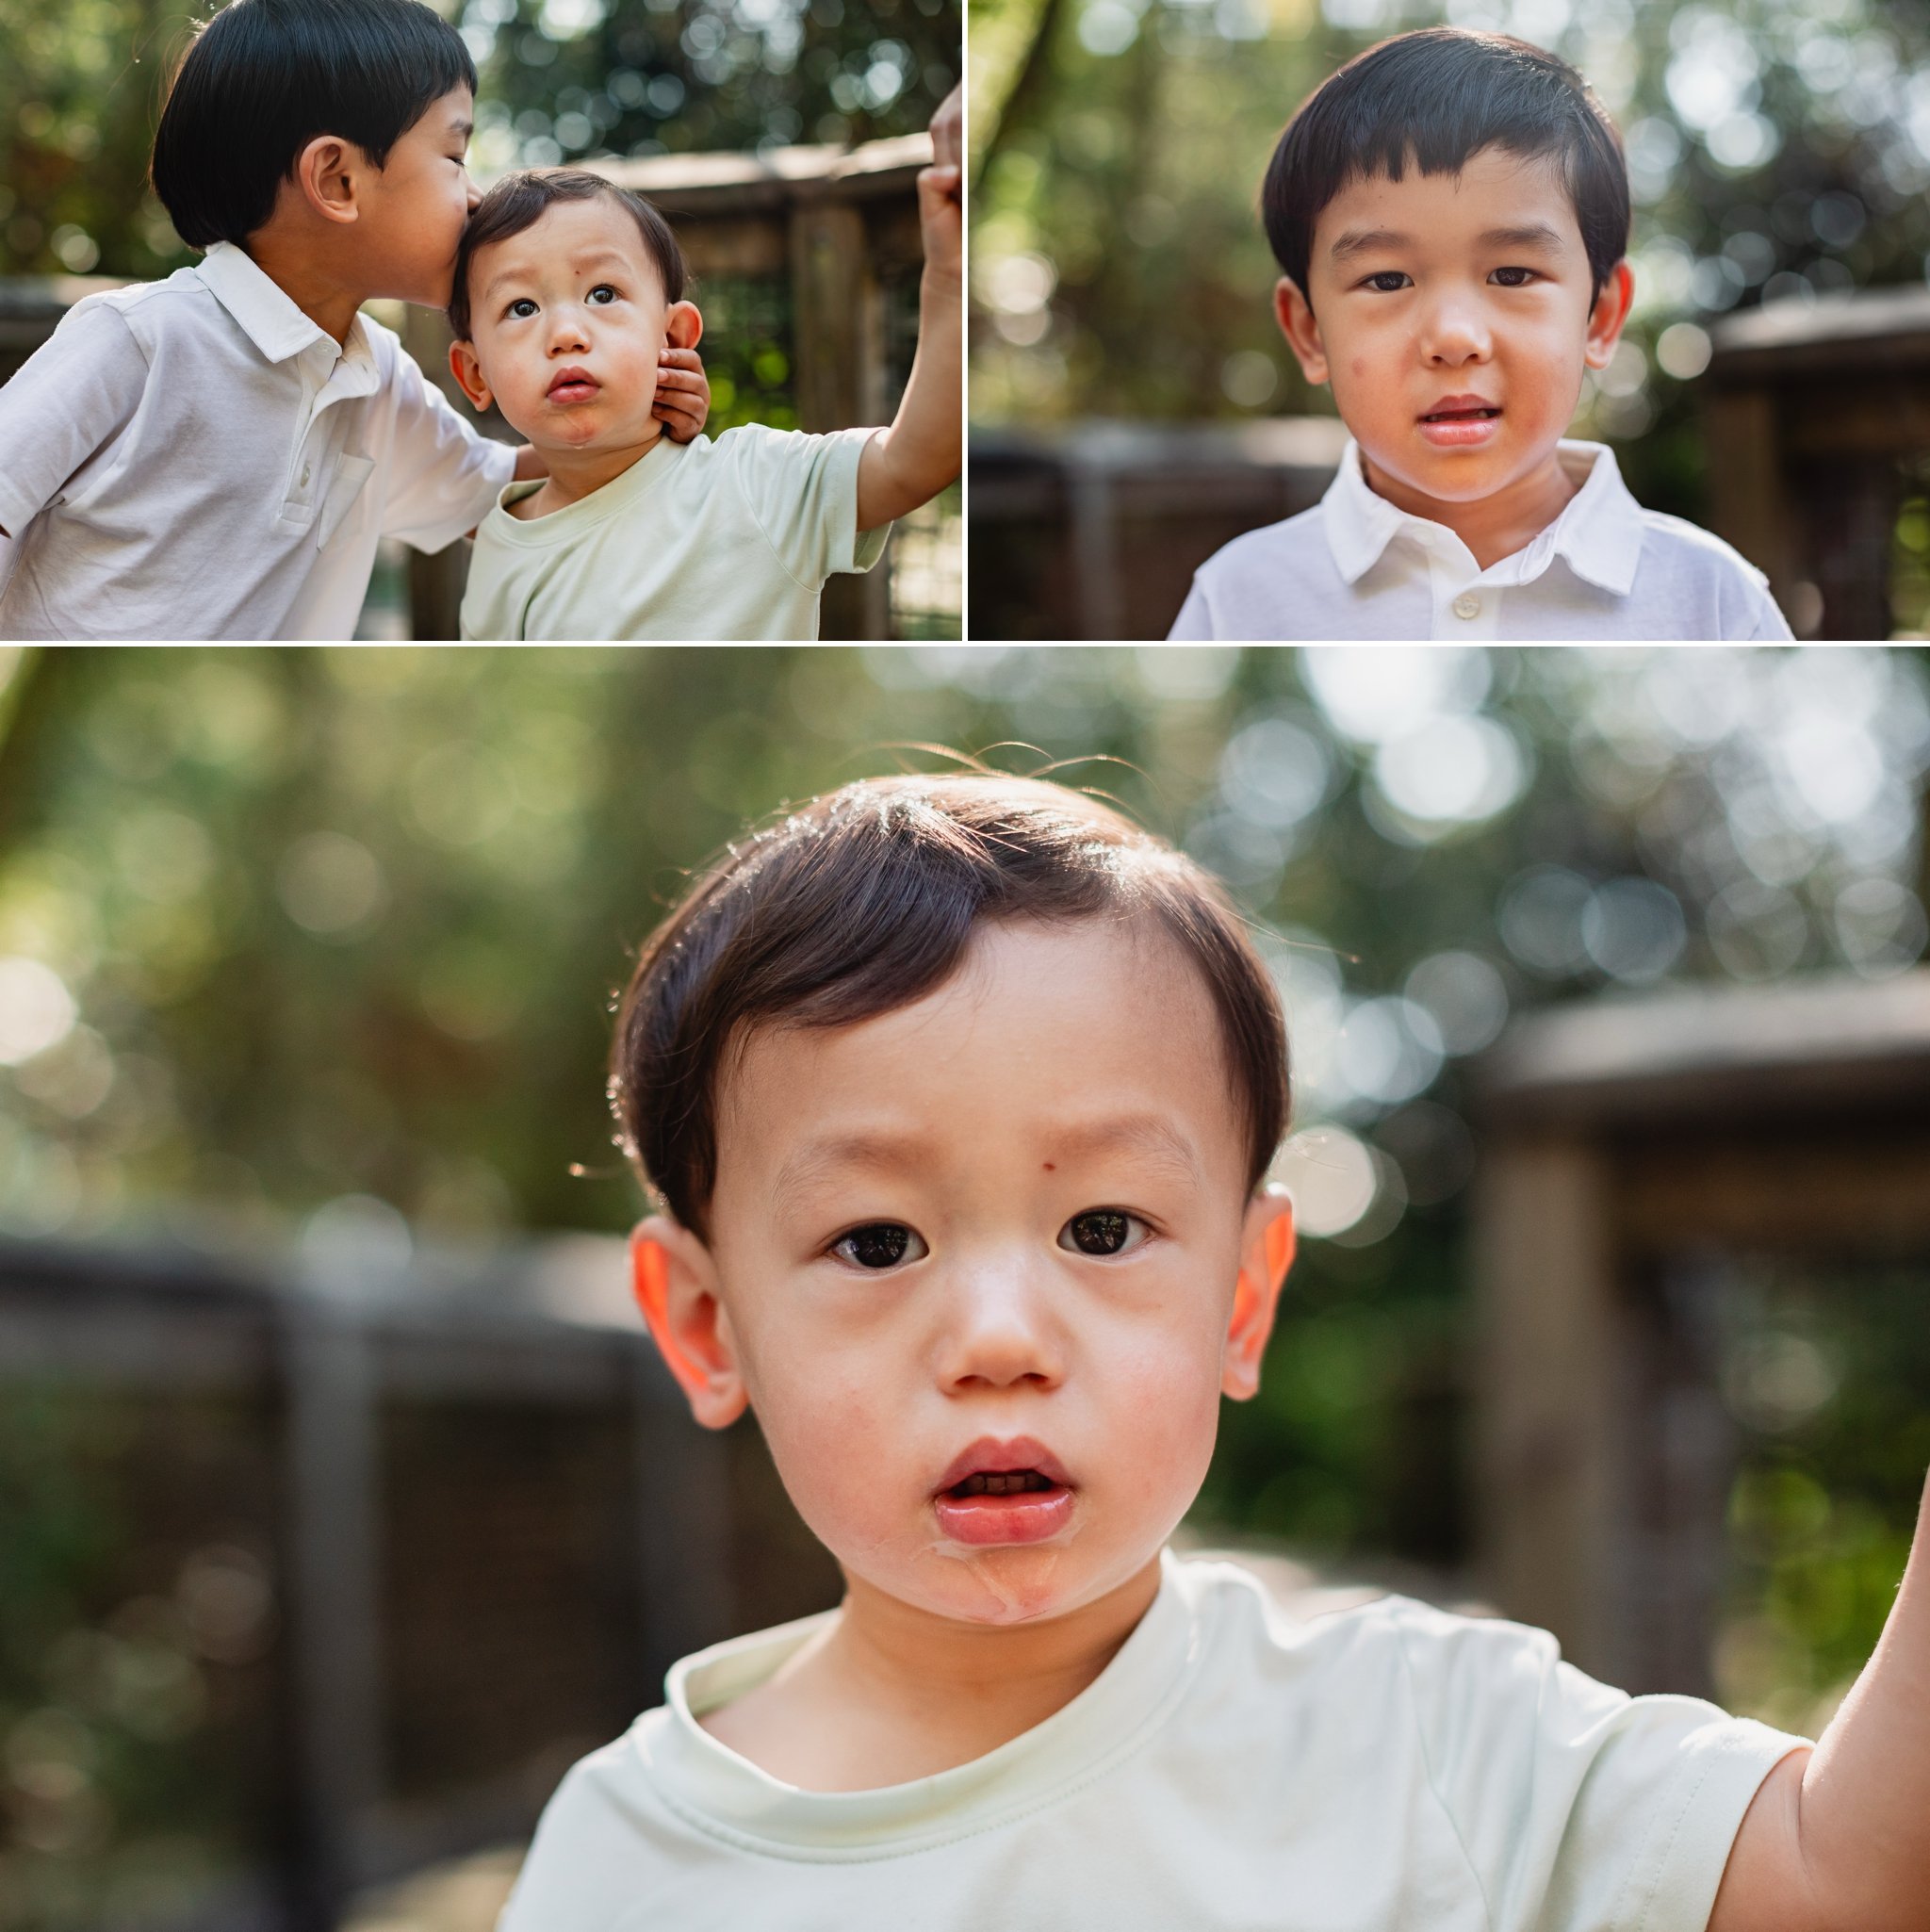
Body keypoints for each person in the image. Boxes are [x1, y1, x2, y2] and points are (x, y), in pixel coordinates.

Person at [498, 769, 1927, 1930]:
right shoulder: (629, 1858)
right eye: (877, 1242)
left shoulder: (1426, 1740)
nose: (1001, 1340)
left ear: (1242, 1297)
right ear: (704, 1322)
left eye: (1105, 1227)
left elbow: (1849, 1876)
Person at [0, 0, 708, 640]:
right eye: (454, 157)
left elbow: (499, 488)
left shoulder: (378, 378)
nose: (474, 197)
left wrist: (637, 409)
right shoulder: (138, 342)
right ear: (337, 180)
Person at [1169, 29, 1793, 641]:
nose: (1454, 337)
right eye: (1387, 280)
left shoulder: (1711, 600)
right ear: (1308, 333)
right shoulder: (1238, 601)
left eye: (1512, 273)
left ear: (1600, 318)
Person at [446, 89, 962, 641]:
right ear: (476, 375)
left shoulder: (756, 480)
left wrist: (951, 281)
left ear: (672, 335)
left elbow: (913, 462)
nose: (566, 334)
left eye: (601, 293)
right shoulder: (498, 537)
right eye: (521, 307)